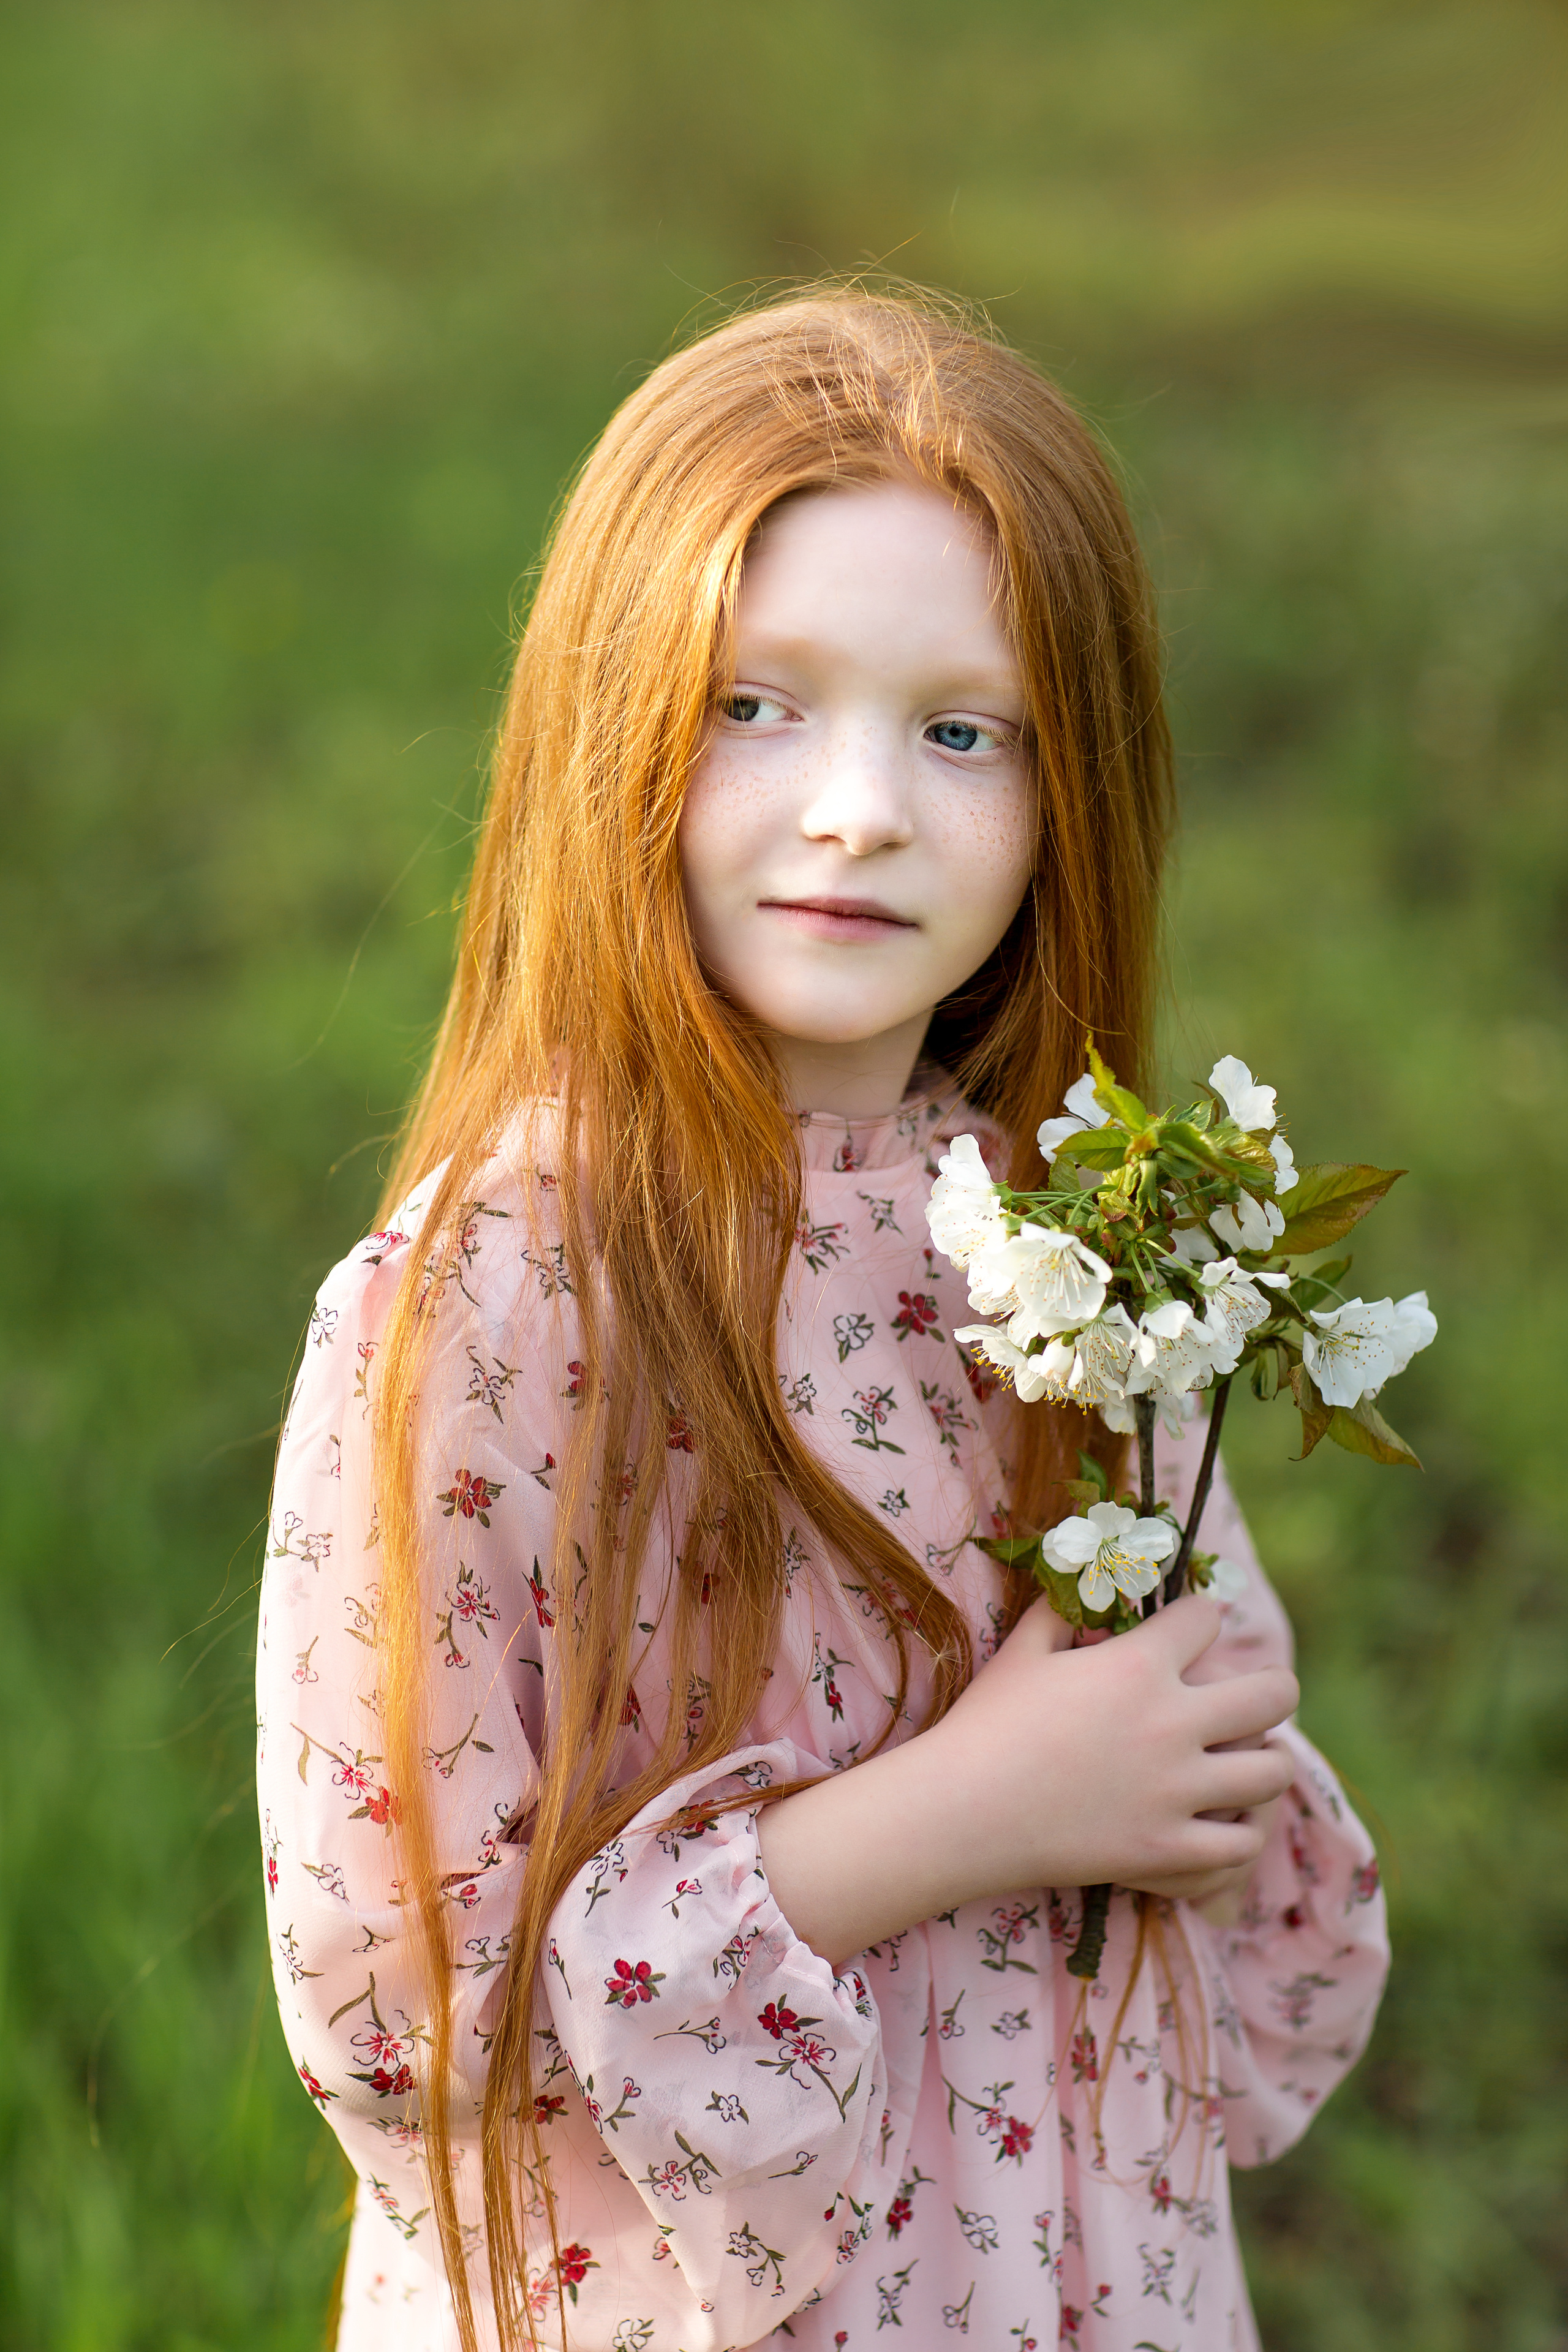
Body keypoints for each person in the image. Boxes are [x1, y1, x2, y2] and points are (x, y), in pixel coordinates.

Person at [257, 287, 1389, 2352]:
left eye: (965, 731)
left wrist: (1174, 1776)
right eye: (757, 704)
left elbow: (1189, 1763)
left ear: (1073, 791)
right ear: (614, 720)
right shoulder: (495, 1296)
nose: (860, 806)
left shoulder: (1069, 1247)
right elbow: (402, 2013)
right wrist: (967, 1816)